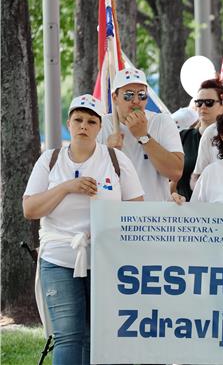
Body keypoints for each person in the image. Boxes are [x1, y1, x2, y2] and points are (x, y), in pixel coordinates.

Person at [23, 95, 145, 365]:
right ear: (69, 122)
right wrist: (67, 187)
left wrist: (107, 230)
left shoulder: (116, 160)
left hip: (105, 260)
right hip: (59, 259)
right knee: (68, 335)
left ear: (100, 127)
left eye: (91, 121)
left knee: (96, 336)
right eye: (78, 119)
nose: (84, 126)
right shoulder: (50, 160)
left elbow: (136, 210)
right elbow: (30, 209)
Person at [100, 68, 183, 201]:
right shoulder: (101, 125)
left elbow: (176, 173)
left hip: (153, 215)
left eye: (141, 95)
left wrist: (143, 136)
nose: (136, 101)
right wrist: (107, 152)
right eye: (129, 95)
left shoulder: (162, 121)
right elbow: (88, 175)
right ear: (115, 98)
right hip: (115, 214)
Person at [173, 78, 223, 201]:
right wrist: (173, 195)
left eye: (209, 102)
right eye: (199, 102)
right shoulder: (183, 137)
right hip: (186, 211)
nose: (203, 106)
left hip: (220, 211)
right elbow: (172, 180)